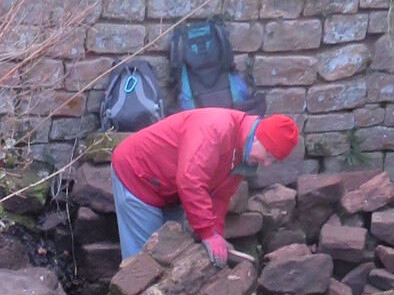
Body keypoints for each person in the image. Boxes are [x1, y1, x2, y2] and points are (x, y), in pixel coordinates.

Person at [109, 106, 299, 263]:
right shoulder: (216, 128)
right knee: (143, 264)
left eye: (273, 160)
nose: (267, 164)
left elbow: (220, 197)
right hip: (138, 175)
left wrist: (216, 235)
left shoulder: (243, 156)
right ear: (258, 138)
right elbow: (190, 181)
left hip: (169, 190)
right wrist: (207, 233)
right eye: (269, 155)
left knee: (170, 258)